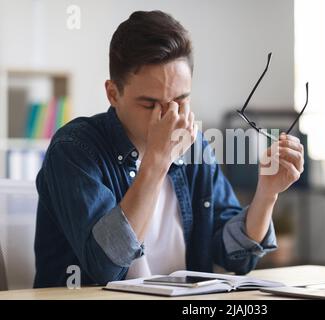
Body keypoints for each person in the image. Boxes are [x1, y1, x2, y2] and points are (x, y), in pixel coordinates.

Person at [33, 10, 304, 288]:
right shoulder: (74, 150)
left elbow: (235, 257)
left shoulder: (195, 146)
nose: (169, 116)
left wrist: (267, 194)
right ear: (113, 93)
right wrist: (157, 161)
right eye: (150, 104)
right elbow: (104, 265)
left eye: (181, 100)